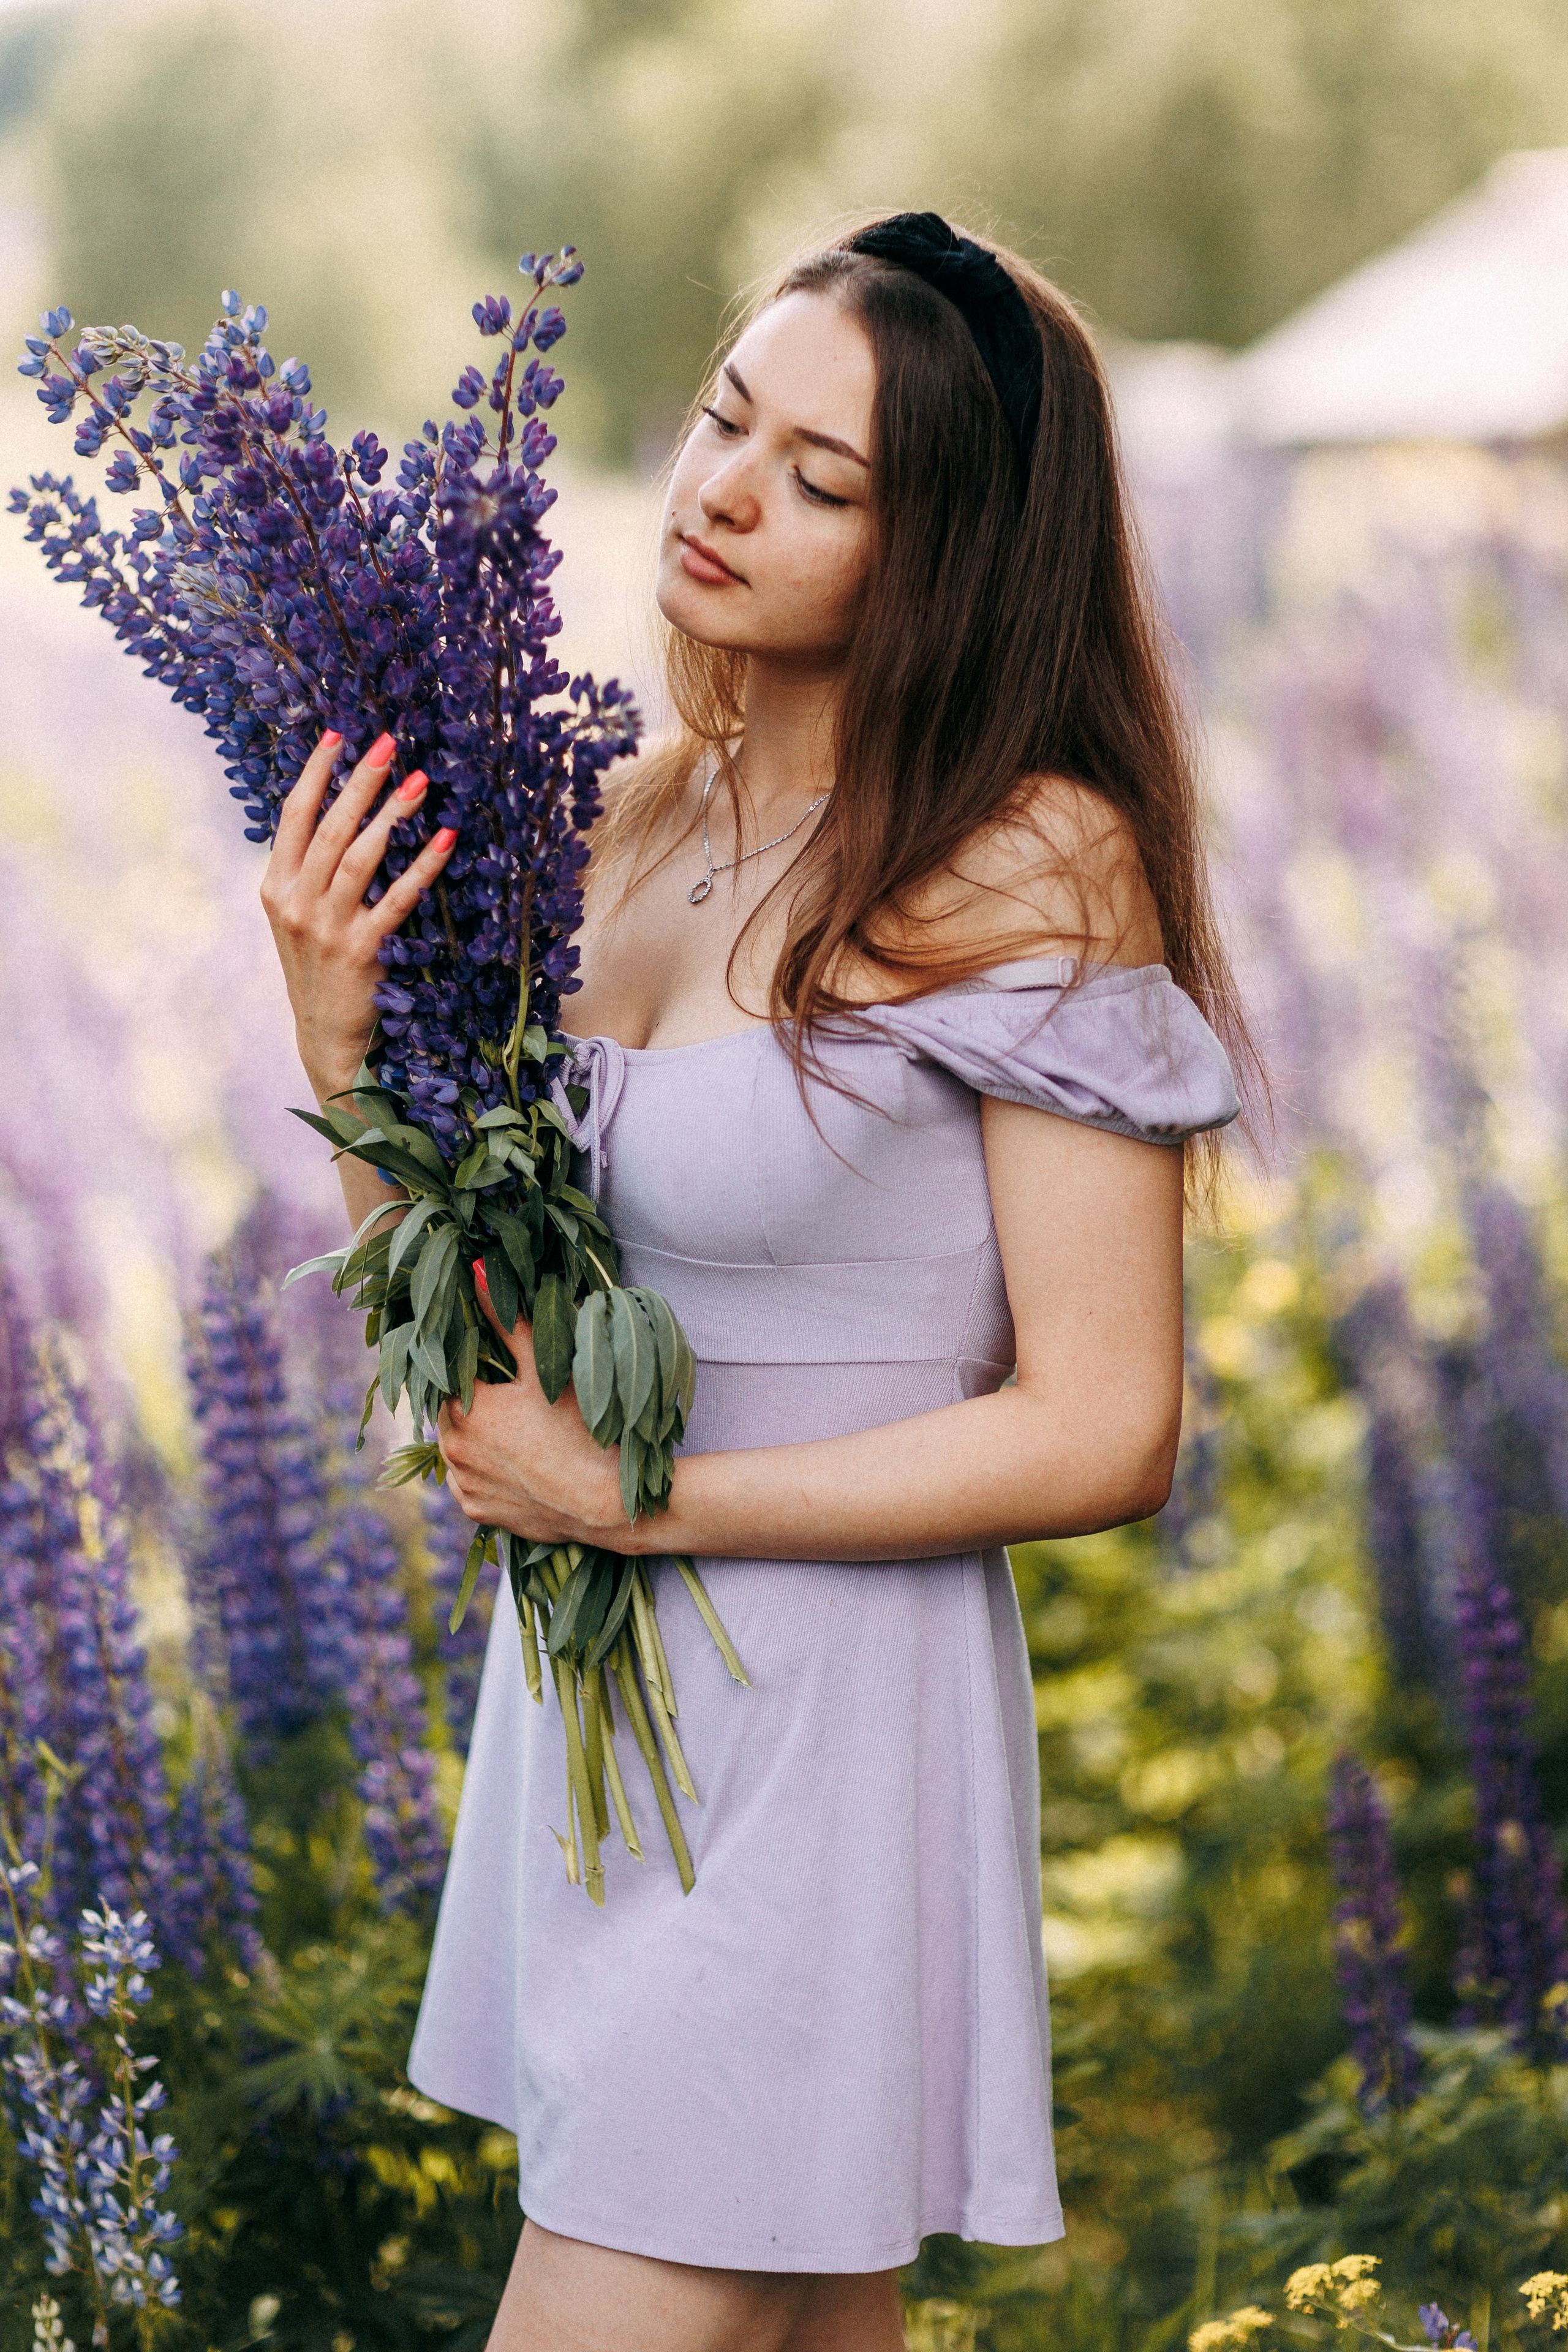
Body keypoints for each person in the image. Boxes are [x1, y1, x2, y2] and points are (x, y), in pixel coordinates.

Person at [261, 213, 1257, 2352]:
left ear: (957, 557)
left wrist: (643, 1502)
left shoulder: (1021, 859)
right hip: (610, 1719)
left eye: (827, 480)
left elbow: (1107, 1425)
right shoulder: (609, 829)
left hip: (819, 1731)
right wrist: (343, 1060)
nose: (725, 492)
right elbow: (478, 1336)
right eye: (730, 421)